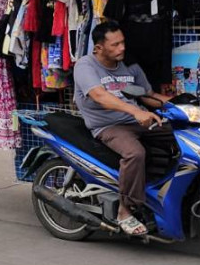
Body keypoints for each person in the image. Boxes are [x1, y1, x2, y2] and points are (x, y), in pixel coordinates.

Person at [73, 21, 177, 236]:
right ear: (99, 47)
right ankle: (125, 211)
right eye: (115, 45)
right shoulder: (85, 65)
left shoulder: (129, 65)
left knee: (181, 136)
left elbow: (149, 97)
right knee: (135, 153)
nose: (122, 48)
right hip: (108, 126)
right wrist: (135, 111)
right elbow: (100, 96)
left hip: (139, 120)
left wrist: (183, 104)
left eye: (123, 42)